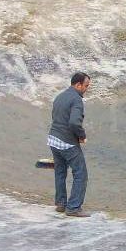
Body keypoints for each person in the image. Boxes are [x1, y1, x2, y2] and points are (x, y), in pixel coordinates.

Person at [48, 72, 91, 217]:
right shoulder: (76, 100)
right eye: (86, 86)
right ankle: (73, 207)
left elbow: (56, 117)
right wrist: (81, 136)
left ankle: (61, 203)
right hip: (67, 142)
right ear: (78, 85)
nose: (86, 89)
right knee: (80, 174)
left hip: (53, 139)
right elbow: (74, 123)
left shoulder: (60, 96)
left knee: (60, 171)